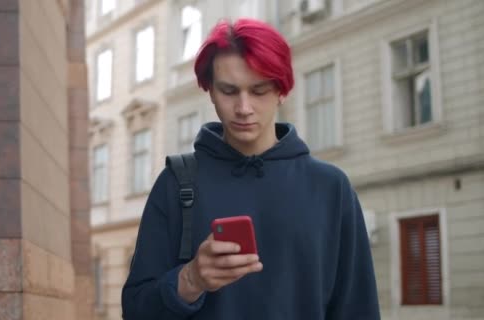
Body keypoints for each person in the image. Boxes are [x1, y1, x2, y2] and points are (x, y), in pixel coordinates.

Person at [121, 18, 380, 319]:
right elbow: (135, 309)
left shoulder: (331, 187)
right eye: (229, 91)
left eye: (259, 91)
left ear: (282, 91)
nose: (244, 108)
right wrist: (190, 280)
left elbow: (358, 309)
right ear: (210, 91)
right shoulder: (177, 183)